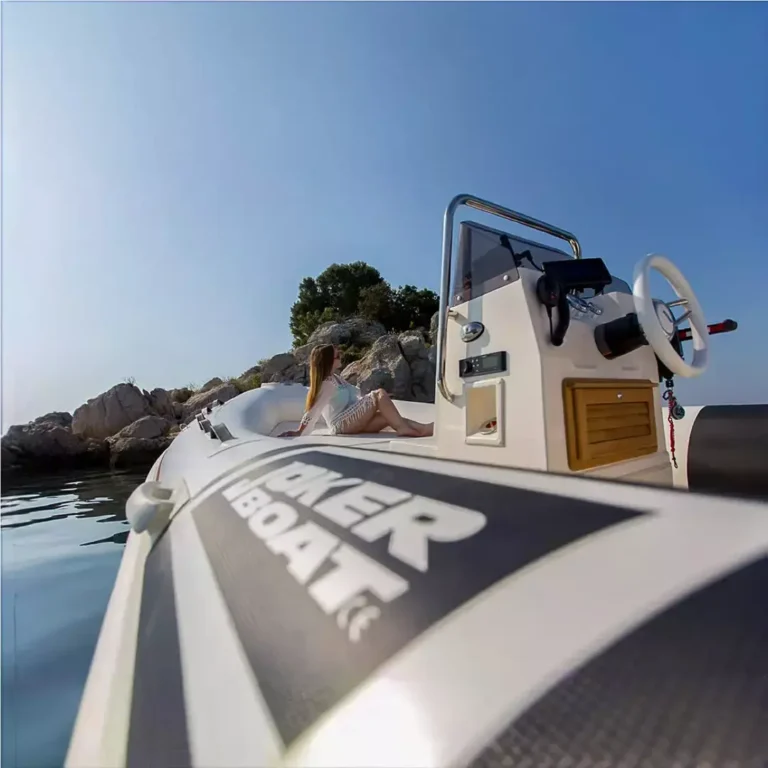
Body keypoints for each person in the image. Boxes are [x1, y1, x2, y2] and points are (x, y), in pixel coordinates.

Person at [278, 344, 434, 438]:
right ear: (327, 361)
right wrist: (299, 431)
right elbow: (314, 409)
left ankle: (424, 429)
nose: (341, 356)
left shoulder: (337, 379)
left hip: (351, 420)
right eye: (337, 356)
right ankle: (403, 429)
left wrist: (381, 401)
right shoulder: (327, 383)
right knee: (378, 393)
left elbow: (357, 396)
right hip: (341, 424)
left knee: (387, 417)